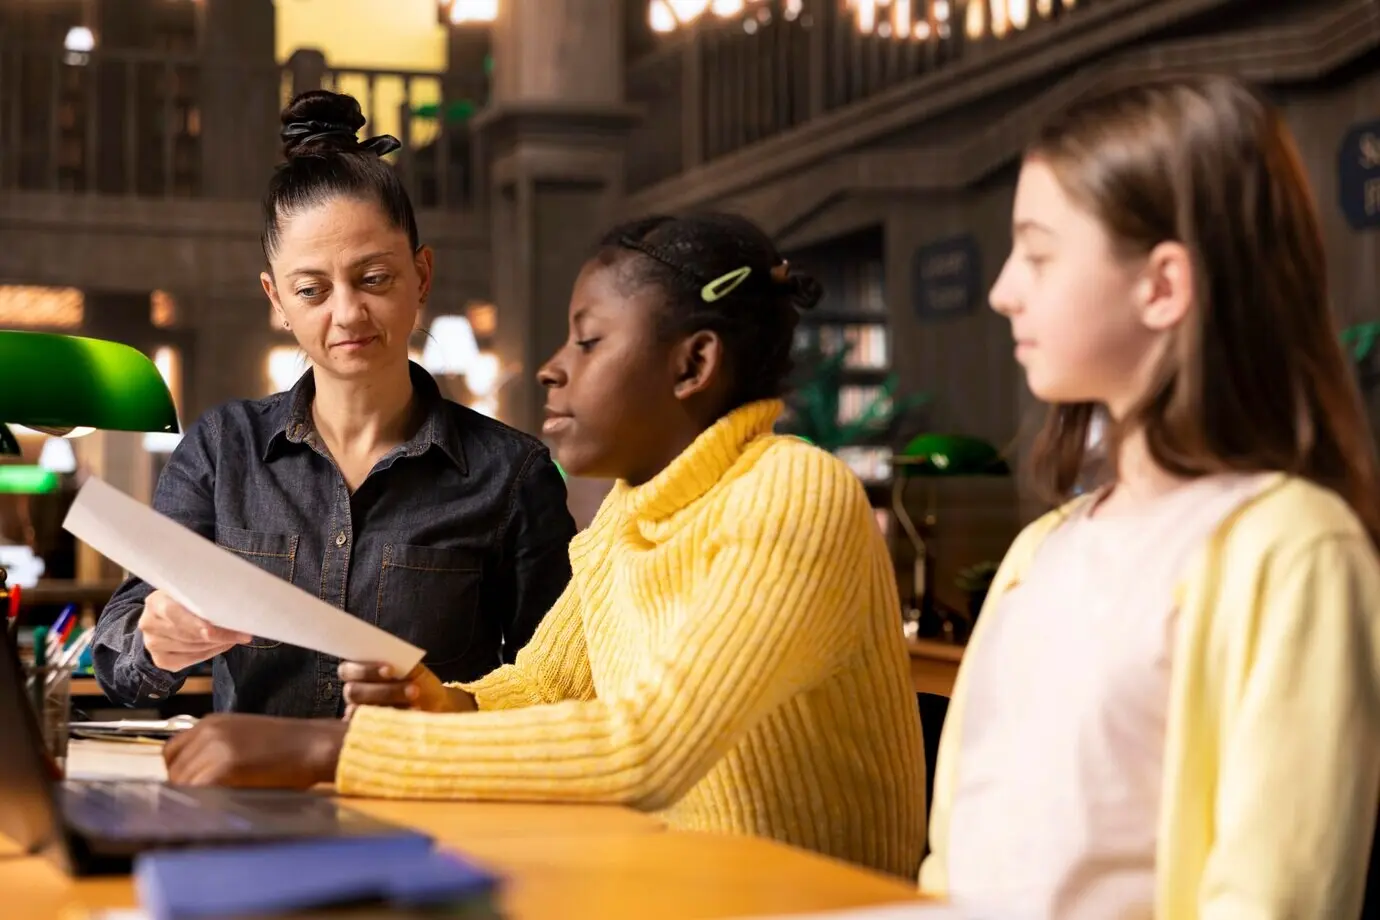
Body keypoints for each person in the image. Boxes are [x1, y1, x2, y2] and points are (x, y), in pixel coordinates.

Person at [160, 212, 928, 879]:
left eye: (588, 342)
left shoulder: (794, 488)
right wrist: (448, 701)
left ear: (693, 364)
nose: (552, 368)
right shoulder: (623, 522)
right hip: (671, 889)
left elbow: (650, 744)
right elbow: (541, 685)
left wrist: (323, 752)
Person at [918, 75, 1380, 919]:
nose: (1003, 290)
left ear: (1163, 285)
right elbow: (955, 852)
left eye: (1040, 253)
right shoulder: (1039, 552)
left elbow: (1276, 898)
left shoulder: (1295, 549)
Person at [93, 91, 576, 717]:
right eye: (311, 289)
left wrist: (455, 707)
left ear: (422, 276)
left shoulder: (510, 475)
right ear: (275, 298)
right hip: (252, 803)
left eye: (374, 279)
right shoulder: (222, 449)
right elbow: (118, 666)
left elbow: (563, 689)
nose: (347, 313)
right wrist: (155, 642)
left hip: (429, 802)